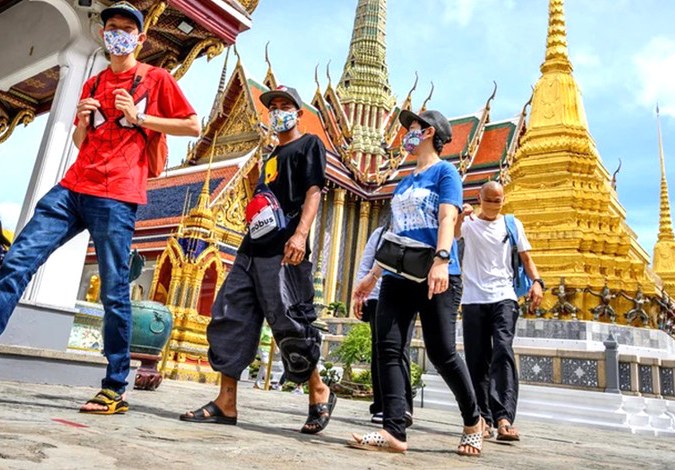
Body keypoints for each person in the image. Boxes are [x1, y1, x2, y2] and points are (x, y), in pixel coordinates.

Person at [0, 2, 200, 414]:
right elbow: (82, 144)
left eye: (127, 28)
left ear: (141, 38)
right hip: (73, 187)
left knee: (114, 293)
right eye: (112, 27)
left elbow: (192, 125)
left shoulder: (156, 79)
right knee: (14, 265)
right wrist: (81, 121)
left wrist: (141, 117)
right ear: (102, 34)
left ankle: (115, 387)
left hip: (118, 195)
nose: (119, 34)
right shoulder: (93, 84)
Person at [181, 86, 336, 434]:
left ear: (298, 114)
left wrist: (301, 235)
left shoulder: (309, 145)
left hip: (285, 251)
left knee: (290, 323)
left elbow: (314, 192)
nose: (277, 111)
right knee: (230, 315)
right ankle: (226, 402)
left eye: (285, 107)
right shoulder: (269, 156)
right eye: (273, 106)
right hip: (250, 250)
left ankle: (318, 390)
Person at [350, 109, 484, 456]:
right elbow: (396, 233)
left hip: (436, 273)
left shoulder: (445, 172)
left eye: (411, 128)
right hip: (397, 273)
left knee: (442, 353)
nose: (405, 134)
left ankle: (473, 420)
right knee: (389, 346)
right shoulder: (406, 179)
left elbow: (448, 216)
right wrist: (372, 275)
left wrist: (442, 259)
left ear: (427, 133)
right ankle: (394, 430)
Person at [456, 181, 544, 441]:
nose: (494, 205)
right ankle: (482, 418)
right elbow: (453, 234)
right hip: (473, 299)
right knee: (476, 359)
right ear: (479, 198)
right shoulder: (469, 224)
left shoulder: (512, 224)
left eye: (499, 200)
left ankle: (503, 417)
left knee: (503, 351)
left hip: (504, 297)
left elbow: (526, 258)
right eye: (489, 200)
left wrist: (537, 282)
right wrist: (462, 215)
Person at [352, 227, 414, 427]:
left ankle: (402, 406)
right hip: (377, 296)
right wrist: (361, 293)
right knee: (380, 349)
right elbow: (366, 263)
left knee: (400, 348)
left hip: (407, 293)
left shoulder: (416, 232)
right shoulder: (379, 234)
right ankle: (380, 405)